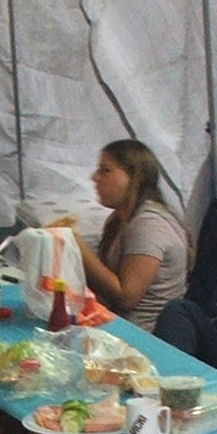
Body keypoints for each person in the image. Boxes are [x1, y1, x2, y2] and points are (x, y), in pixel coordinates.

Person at [71, 139, 190, 332]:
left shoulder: (149, 227)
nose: (95, 178)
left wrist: (78, 247)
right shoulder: (118, 220)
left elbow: (126, 298)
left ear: (135, 178)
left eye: (105, 171)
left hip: (141, 335)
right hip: (111, 323)